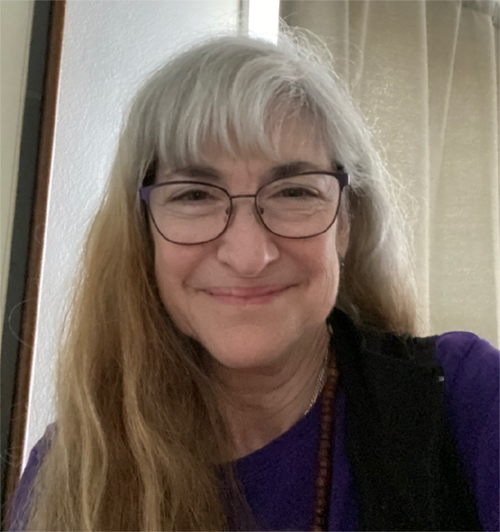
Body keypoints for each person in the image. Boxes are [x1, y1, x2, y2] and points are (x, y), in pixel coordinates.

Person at [8, 29, 499, 532]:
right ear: (142, 233)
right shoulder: (69, 473)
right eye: (194, 195)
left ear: (345, 223)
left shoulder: (466, 401)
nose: (249, 256)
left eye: (294, 193)